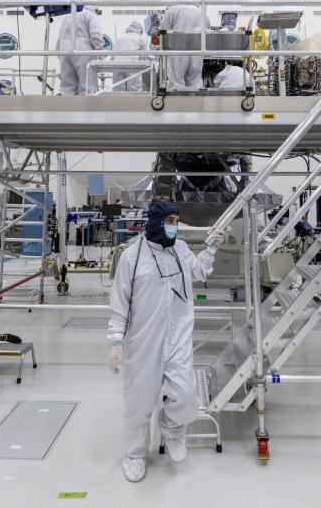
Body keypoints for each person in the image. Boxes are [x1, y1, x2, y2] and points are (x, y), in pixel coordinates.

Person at [107, 201, 226, 483]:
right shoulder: (132, 257)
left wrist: (212, 248)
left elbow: (198, 271)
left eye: (176, 220)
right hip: (143, 340)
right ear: (157, 221)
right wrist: (115, 342)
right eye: (170, 220)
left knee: (185, 395)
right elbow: (120, 302)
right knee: (139, 399)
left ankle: (172, 430)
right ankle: (135, 454)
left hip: (178, 337)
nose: (175, 226)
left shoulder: (181, 250)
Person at [56, 6, 106, 95]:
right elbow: (96, 35)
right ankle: (85, 107)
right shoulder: (90, 15)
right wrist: (100, 53)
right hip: (83, 52)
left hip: (65, 51)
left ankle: (65, 107)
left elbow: (60, 38)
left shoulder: (67, 17)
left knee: (67, 88)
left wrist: (59, 54)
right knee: (86, 86)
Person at [161, 0, 205, 90]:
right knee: (195, 80)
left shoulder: (172, 9)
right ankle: (196, 101)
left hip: (178, 49)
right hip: (196, 49)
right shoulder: (199, 11)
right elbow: (206, 29)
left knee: (176, 81)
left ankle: (178, 103)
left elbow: (164, 30)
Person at [112, 21, 147, 93]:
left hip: (117, 66)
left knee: (118, 91)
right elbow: (144, 57)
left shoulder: (119, 38)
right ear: (140, 30)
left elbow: (113, 55)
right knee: (135, 91)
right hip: (133, 66)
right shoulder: (140, 39)